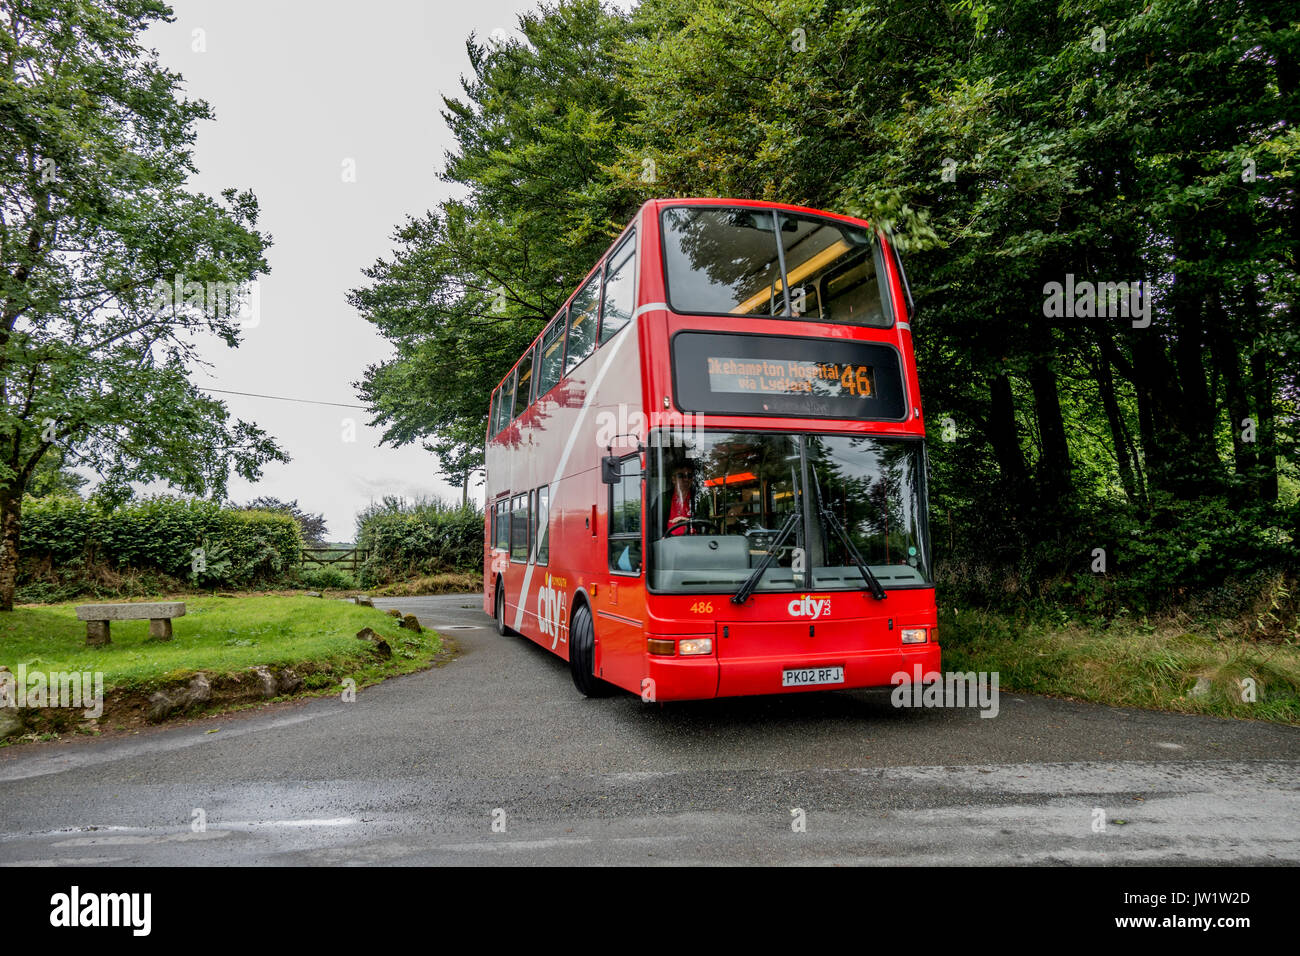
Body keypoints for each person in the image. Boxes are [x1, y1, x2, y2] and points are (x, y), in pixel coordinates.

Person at [666, 462, 694, 536]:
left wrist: (687, 521)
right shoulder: (664, 498)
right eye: (681, 476)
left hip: (695, 541)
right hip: (669, 543)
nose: (686, 479)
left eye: (689, 476)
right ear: (673, 479)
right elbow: (653, 524)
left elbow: (706, 521)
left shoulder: (698, 498)